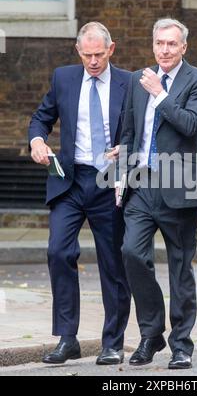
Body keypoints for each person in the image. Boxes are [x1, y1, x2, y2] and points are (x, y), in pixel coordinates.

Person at [28, 22, 131, 365]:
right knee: (58, 251)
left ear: (111, 50)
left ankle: (112, 343)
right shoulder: (64, 78)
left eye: (99, 54)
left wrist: (126, 148)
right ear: (78, 52)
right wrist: (37, 140)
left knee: (113, 263)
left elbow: (144, 131)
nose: (93, 61)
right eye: (87, 55)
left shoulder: (127, 83)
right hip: (70, 182)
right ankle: (67, 338)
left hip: (108, 183)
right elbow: (41, 118)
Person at [118, 18, 197, 369]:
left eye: (172, 44)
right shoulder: (137, 80)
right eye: (160, 43)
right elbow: (129, 133)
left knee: (179, 267)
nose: (165, 50)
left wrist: (161, 94)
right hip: (142, 185)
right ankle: (151, 334)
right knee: (131, 252)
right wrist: (120, 174)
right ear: (153, 45)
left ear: (184, 47)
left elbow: (190, 124)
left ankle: (181, 345)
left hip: (181, 185)